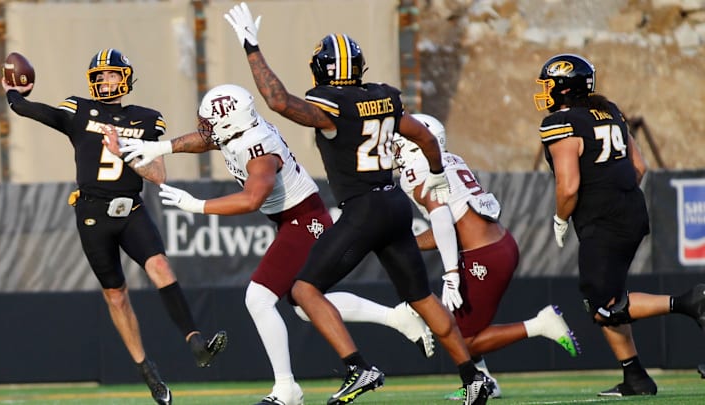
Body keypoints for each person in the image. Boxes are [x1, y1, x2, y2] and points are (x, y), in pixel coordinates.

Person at [225, 3, 492, 405]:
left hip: (364, 209)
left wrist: (251, 47)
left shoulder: (331, 105)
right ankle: (473, 376)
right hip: (395, 205)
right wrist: (436, 172)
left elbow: (279, 101)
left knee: (303, 290)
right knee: (422, 297)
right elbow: (422, 135)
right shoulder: (383, 97)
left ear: (322, 69)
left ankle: (358, 367)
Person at [108, 83, 435, 405]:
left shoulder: (259, 149)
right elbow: (209, 140)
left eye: (210, 122)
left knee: (259, 298)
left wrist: (198, 205)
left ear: (229, 123)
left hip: (303, 220)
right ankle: (396, 318)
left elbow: (252, 199)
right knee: (304, 306)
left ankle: (287, 388)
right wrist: (162, 148)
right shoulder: (237, 132)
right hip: (295, 218)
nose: (204, 128)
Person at [1, 48, 227, 405]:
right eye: (99, 75)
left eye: (110, 74)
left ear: (125, 76)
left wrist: (125, 151)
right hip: (93, 213)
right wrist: (14, 92)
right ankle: (146, 370)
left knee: (160, 266)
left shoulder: (147, 118)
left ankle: (195, 341)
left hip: (132, 209)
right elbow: (29, 110)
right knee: (116, 294)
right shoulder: (78, 111)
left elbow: (157, 175)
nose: (105, 80)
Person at [533, 53, 705, 397]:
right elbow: (638, 167)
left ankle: (691, 301)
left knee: (602, 305)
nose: (545, 91)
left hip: (603, 221)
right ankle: (636, 378)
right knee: (607, 299)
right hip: (630, 212)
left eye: (549, 84)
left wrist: (560, 219)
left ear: (565, 88)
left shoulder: (560, 124)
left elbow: (568, 186)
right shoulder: (609, 112)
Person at [392, 113, 582, 400]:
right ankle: (486, 381)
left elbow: (443, 220)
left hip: (484, 256)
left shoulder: (416, 171)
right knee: (460, 324)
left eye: (400, 142)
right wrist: (407, 243)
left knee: (461, 339)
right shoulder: (451, 159)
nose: (394, 148)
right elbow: (455, 223)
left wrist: (451, 273)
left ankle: (540, 324)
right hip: (498, 245)